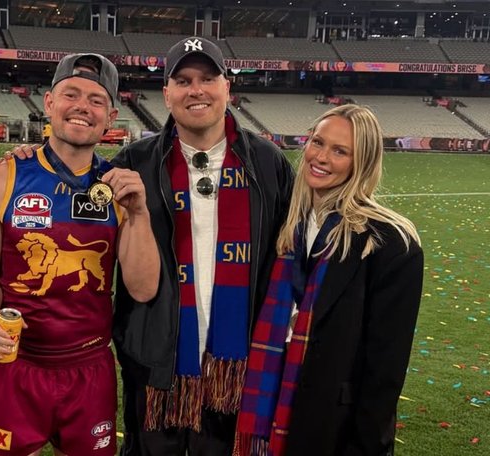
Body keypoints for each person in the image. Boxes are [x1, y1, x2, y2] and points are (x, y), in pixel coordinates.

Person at [112, 37, 294, 455]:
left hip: (240, 366)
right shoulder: (132, 162)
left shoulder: (268, 163)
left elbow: (293, 253)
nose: (196, 90)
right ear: (166, 93)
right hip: (156, 365)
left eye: (208, 78)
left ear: (227, 88)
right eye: (183, 80)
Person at [0, 53, 159, 456]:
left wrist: (140, 213)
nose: (82, 107)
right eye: (71, 94)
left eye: (95, 100)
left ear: (110, 116)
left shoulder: (119, 189)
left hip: (90, 369)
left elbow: (143, 290)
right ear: (49, 104)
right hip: (17, 366)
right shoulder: (1, 179)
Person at [234, 104, 424, 455]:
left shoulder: (390, 242)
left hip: (331, 424)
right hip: (266, 403)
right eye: (317, 142)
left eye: (340, 151)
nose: (321, 157)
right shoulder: (286, 224)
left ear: (361, 163)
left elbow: (384, 371)